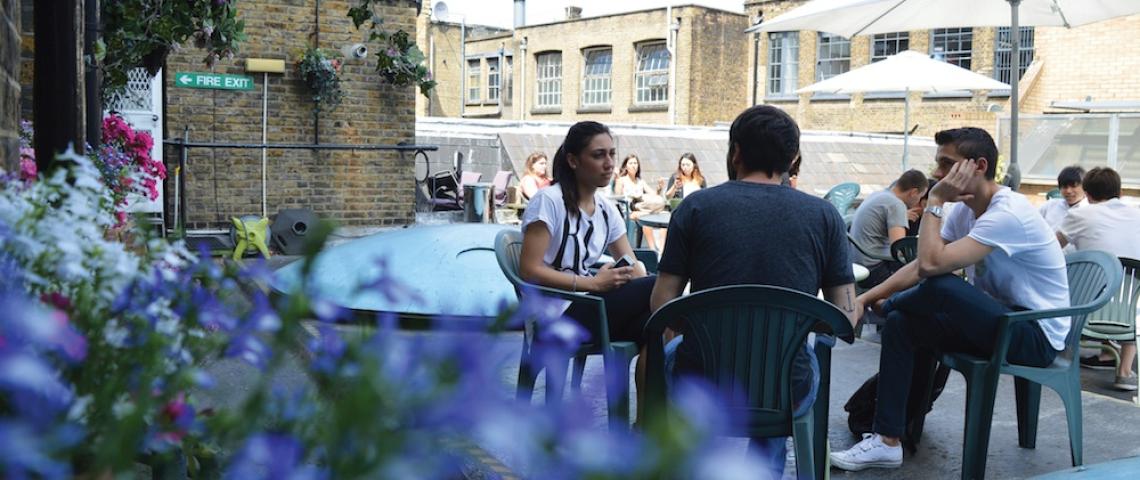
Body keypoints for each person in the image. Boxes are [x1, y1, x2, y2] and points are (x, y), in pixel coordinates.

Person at [831, 127, 1069, 471]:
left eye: (947, 164)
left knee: (939, 286)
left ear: (979, 166)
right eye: (937, 164)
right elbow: (918, 265)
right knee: (901, 323)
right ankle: (886, 440)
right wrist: (867, 299)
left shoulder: (1009, 212)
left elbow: (930, 265)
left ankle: (886, 311)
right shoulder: (965, 210)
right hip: (996, 321)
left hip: (1033, 334)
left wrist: (936, 201)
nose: (937, 174)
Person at [650, 105, 860, 477]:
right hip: (787, 391)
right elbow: (846, 317)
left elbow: (661, 302)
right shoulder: (824, 215)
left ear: (736, 153)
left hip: (702, 382)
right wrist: (795, 327)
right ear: (792, 158)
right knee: (785, 364)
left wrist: (696, 328)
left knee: (674, 353)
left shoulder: (696, 206)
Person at [519, 121, 655, 413]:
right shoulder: (549, 201)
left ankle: (643, 426)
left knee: (656, 324)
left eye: (611, 154)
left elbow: (630, 261)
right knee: (663, 288)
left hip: (588, 308)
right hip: (554, 316)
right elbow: (529, 270)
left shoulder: (606, 210)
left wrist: (634, 273)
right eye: (598, 155)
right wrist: (594, 284)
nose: (609, 164)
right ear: (572, 160)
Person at [1057, 167, 1140, 391]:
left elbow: (1051, 250)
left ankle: (1063, 355)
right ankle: (1123, 371)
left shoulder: (1080, 214)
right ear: (1119, 192)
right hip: (1128, 312)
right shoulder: (1137, 214)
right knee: (1128, 288)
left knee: (1080, 274)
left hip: (1088, 308)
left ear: (1088, 194)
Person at [849, 170, 928, 288]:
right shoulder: (896, 205)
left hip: (856, 262)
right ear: (914, 192)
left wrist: (902, 216)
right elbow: (900, 249)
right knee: (921, 273)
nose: (918, 202)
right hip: (874, 269)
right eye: (920, 197)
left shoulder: (878, 195)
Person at [614, 154, 666, 252]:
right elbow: (617, 195)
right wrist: (616, 178)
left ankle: (662, 250)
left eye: (635, 163)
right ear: (626, 166)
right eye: (631, 163)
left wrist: (659, 188)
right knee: (646, 218)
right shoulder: (621, 180)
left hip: (643, 210)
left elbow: (654, 195)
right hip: (629, 211)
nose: (634, 165)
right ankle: (652, 249)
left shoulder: (640, 181)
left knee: (663, 216)